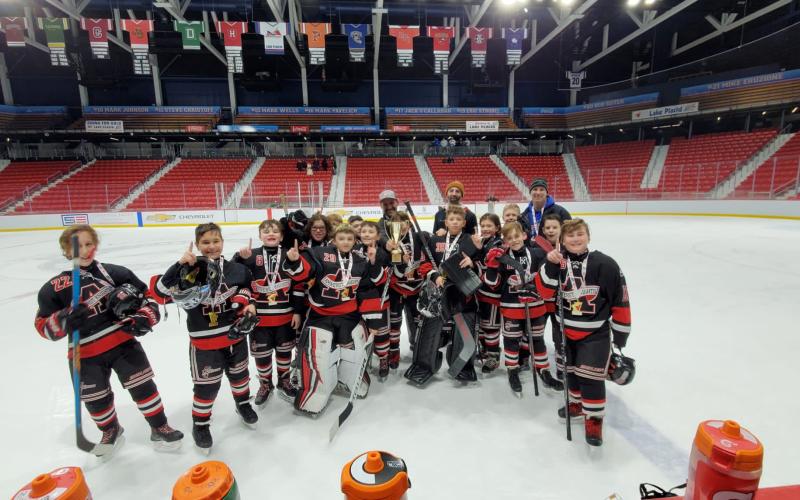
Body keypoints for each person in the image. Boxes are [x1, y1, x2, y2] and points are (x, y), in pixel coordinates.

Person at [35, 225, 183, 455]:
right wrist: (63, 319)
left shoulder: (116, 273)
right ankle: (110, 429)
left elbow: (148, 299)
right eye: (76, 246)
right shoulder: (53, 288)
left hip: (123, 344)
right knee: (96, 400)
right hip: (84, 355)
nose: (83, 251)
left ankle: (159, 426)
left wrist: (144, 318)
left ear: (95, 245)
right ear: (65, 251)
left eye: (88, 244)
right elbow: (42, 326)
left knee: (143, 387)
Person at [154, 223, 258, 451]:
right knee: (206, 388)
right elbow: (159, 292)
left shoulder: (237, 270)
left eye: (215, 241)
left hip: (235, 338)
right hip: (204, 344)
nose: (211, 247)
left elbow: (249, 292)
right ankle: (200, 424)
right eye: (205, 242)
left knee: (240, 377)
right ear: (198, 245)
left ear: (222, 242)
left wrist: (249, 307)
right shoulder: (189, 270)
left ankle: (242, 404)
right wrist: (179, 265)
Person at [535, 218, 631, 447]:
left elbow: (620, 299)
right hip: (564, 330)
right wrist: (548, 264)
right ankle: (577, 404)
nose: (575, 239)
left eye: (580, 234)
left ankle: (594, 418)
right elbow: (544, 292)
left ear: (588, 236)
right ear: (562, 240)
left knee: (591, 376)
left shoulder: (605, 264)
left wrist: (621, 333)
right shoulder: (556, 263)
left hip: (595, 333)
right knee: (570, 373)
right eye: (570, 235)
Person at [294, 224, 386, 415]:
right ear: (334, 240)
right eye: (342, 238)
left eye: (350, 239)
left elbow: (367, 289)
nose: (346, 242)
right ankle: (316, 393)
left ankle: (350, 381)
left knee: (353, 352)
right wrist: (295, 262)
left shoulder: (360, 260)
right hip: (321, 316)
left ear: (355, 241)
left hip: (349, 316)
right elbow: (303, 272)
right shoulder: (319, 254)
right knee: (318, 355)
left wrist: (374, 322)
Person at [232, 220, 309, 405]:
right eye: (266, 231)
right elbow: (234, 277)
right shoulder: (251, 255)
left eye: (275, 230)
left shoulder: (290, 254)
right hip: (260, 319)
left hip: (285, 316)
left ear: (282, 236)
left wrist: (297, 312)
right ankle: (265, 383)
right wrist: (239, 258)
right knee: (262, 354)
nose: (271, 233)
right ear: (260, 236)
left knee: (284, 352)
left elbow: (299, 285)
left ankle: (284, 381)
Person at [483, 222, 562, 396]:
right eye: (509, 238)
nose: (514, 240)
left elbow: (548, 277)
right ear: (504, 240)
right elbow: (492, 284)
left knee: (537, 340)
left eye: (516, 236)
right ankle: (512, 370)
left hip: (535, 307)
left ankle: (544, 371)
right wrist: (492, 265)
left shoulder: (537, 253)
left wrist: (535, 290)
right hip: (511, 307)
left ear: (524, 236)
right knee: (511, 341)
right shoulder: (501, 257)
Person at [413, 206, 483, 383]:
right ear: (446, 221)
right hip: (438, 291)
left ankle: (462, 365)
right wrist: (435, 276)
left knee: (464, 325)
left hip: (462, 292)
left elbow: (482, 262)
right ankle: (424, 363)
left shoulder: (470, 240)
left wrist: (473, 262)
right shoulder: (435, 239)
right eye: (451, 219)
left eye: (458, 220)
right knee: (431, 324)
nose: (455, 222)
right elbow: (425, 264)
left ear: (464, 223)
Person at [384, 211, 426, 369]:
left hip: (417, 288)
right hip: (398, 289)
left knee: (417, 321)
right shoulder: (393, 241)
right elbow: (398, 271)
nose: (400, 226)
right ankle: (393, 352)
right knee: (395, 323)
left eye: (403, 222)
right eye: (396, 223)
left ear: (408, 224)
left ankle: (418, 348)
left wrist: (440, 232)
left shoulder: (419, 237)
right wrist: (401, 261)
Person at [354, 221, 392, 379]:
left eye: (370, 231)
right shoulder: (354, 250)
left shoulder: (382, 253)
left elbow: (378, 280)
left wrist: (373, 261)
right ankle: (359, 360)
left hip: (377, 298)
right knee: (361, 332)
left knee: (381, 333)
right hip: (358, 298)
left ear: (377, 235)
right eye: (363, 231)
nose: (366, 234)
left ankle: (384, 358)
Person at [475, 213, 503, 373]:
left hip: (492, 294)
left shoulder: (498, 245)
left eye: (489, 226)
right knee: (481, 325)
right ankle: (484, 351)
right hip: (480, 292)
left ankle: (493, 357)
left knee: (491, 327)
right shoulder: (484, 242)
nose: (485, 228)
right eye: (483, 226)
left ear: (497, 228)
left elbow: (491, 268)